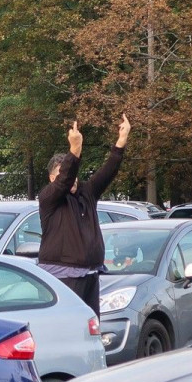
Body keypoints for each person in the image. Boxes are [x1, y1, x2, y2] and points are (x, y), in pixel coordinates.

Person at [38, 113, 131, 315]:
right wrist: (75, 150)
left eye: (75, 176)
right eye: (63, 175)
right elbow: (65, 178)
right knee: (70, 325)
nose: (72, 180)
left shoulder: (86, 193)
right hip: (64, 275)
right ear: (52, 177)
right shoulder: (49, 198)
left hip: (90, 273)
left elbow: (107, 172)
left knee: (91, 327)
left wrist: (121, 142)